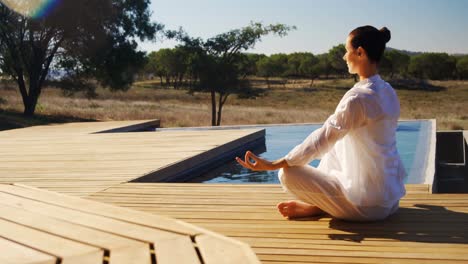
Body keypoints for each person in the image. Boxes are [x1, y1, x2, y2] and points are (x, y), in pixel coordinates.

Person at [236, 25, 407, 221]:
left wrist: (275, 163)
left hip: (366, 208)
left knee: (287, 173)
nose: (344, 57)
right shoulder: (388, 91)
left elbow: (322, 139)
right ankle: (323, 206)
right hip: (390, 201)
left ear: (360, 53)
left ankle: (319, 207)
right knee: (341, 141)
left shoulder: (357, 98)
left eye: (347, 51)